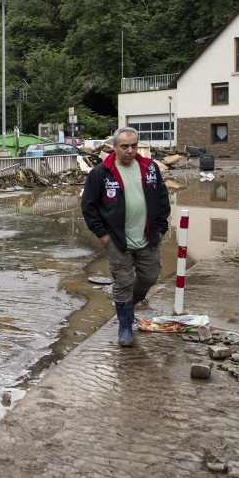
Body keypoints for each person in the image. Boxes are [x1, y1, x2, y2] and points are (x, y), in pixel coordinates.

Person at [80, 127, 170, 347]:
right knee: (123, 282)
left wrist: (160, 229)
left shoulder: (149, 168)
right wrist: (103, 236)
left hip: (148, 237)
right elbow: (88, 207)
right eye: (124, 146)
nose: (130, 150)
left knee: (150, 276)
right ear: (114, 147)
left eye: (134, 146)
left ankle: (130, 302)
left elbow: (162, 198)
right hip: (117, 241)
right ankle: (125, 326)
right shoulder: (101, 173)